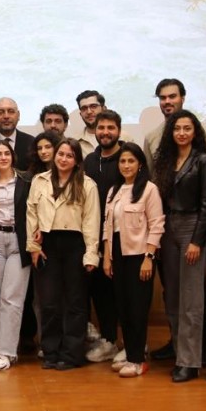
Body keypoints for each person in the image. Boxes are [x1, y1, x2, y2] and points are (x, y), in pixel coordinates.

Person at [152, 111, 206, 381]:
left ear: (195, 131)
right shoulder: (164, 161)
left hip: (192, 228)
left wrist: (197, 241)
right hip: (168, 228)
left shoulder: (203, 161)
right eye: (177, 128)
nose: (181, 133)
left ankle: (191, 362)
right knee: (173, 297)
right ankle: (180, 355)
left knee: (192, 299)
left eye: (187, 128)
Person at [26, 139, 100, 369]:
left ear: (77, 160)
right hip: (47, 244)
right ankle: (50, 352)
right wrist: (34, 248)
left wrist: (90, 255)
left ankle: (72, 354)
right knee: (49, 302)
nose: (63, 159)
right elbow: (31, 214)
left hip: (74, 244)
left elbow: (91, 221)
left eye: (69, 155)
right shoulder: (39, 181)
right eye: (61, 154)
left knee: (75, 303)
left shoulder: (87, 185)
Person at [101, 143, 163, 379]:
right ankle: (130, 354)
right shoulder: (113, 190)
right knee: (123, 308)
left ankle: (138, 360)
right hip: (117, 254)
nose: (126, 165)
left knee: (137, 309)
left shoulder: (149, 190)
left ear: (140, 165)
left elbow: (157, 225)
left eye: (131, 161)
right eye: (122, 161)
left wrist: (149, 257)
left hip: (139, 255)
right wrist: (107, 256)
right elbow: (108, 227)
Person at [0, 140, 31, 370]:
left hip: (19, 242)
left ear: (12, 156)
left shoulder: (25, 181)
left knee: (12, 297)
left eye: (6, 153)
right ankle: (0, 345)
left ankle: (4, 351)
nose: (3, 157)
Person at [82, 110, 125, 363]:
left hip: (122, 236)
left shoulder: (127, 156)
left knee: (123, 293)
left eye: (110, 127)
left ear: (118, 130)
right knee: (101, 292)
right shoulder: (89, 160)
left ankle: (131, 344)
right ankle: (109, 341)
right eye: (101, 128)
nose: (105, 132)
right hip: (94, 237)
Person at [0, 97, 36, 173]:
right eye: (0, 112)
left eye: (11, 111)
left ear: (18, 115)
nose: (6, 116)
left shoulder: (31, 142)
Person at [143, 79, 186, 160]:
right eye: (163, 98)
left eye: (172, 97)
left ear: (182, 99)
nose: (167, 101)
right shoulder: (151, 138)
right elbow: (149, 172)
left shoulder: (201, 131)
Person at [75, 90, 105, 159]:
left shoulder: (122, 137)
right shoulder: (75, 142)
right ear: (80, 114)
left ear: (103, 109)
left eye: (93, 106)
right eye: (84, 108)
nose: (89, 112)